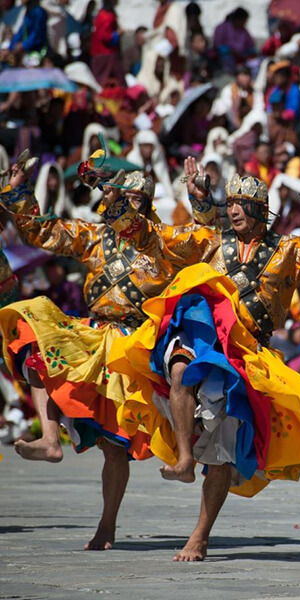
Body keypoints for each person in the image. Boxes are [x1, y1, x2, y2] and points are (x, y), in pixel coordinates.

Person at [108, 160, 300, 562]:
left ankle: (200, 535)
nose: (235, 209)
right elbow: (156, 239)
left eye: (244, 203)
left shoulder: (290, 250)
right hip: (205, 339)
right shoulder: (209, 240)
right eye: (232, 202)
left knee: (222, 451)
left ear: (262, 210)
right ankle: (186, 457)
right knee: (180, 368)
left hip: (248, 354)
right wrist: (117, 205)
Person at [0, 163, 202, 551]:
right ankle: (49, 438)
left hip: (134, 342)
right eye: (123, 198)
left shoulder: (162, 241)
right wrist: (18, 194)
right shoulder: (95, 236)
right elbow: (44, 232)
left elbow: (205, 240)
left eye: (137, 200)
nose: (128, 206)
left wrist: (200, 199)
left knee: (114, 446)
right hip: (93, 333)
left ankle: (107, 526)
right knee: (32, 333)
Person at [91, 0, 125, 86]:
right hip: (106, 54)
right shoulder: (107, 17)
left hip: (99, 53)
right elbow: (105, 36)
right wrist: (118, 34)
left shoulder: (101, 14)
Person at [212, 8, 256, 73]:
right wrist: (231, 51)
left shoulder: (244, 31)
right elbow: (217, 45)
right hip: (225, 57)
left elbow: (251, 46)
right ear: (237, 19)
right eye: (243, 21)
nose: (244, 23)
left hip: (242, 59)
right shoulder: (222, 28)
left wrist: (248, 54)